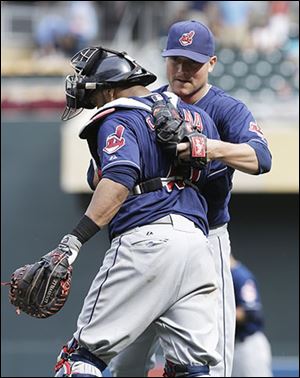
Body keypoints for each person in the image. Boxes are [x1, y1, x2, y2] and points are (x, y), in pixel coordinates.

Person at [53, 45, 229, 377]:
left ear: (107, 88)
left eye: (93, 95)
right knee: (191, 369)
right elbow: (215, 178)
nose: (93, 103)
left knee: (80, 358)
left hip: (145, 239)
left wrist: (73, 241)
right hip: (196, 245)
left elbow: (119, 180)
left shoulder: (119, 114)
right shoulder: (197, 116)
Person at [109, 20, 272, 377]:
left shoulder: (226, 109)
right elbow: (104, 169)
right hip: (149, 240)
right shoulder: (145, 105)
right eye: (176, 61)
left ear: (211, 63)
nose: (182, 71)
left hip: (207, 239)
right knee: (125, 361)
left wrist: (210, 147)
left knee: (214, 362)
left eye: (193, 63)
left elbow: (261, 159)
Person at [230, 255, 273, 377]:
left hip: (248, 346)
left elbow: (250, 312)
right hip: (235, 347)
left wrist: (221, 316)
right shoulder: (227, 276)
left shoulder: (240, 276)